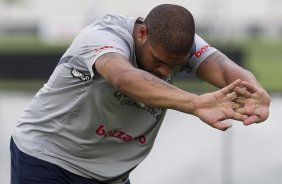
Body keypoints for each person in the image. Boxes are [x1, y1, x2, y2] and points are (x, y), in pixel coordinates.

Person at [11, 4, 270, 184]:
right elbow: (125, 78)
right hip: (48, 157)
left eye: (175, 65)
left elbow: (225, 69)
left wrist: (253, 88)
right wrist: (194, 103)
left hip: (109, 175)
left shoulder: (181, 45)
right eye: (158, 60)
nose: (165, 70)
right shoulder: (104, 35)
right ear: (142, 33)